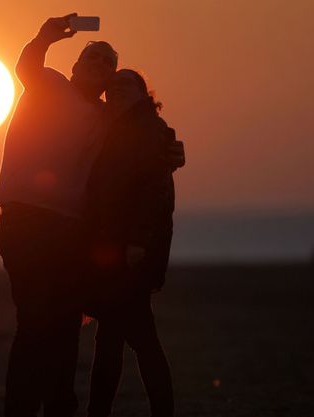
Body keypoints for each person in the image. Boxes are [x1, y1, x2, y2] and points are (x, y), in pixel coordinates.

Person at [0, 13, 119, 417]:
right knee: (34, 323)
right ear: (75, 66)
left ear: (109, 79)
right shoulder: (50, 85)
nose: (98, 65)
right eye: (92, 57)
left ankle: (60, 409)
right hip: (25, 221)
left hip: (71, 230)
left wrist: (170, 150)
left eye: (107, 63)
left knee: (66, 327)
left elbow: (143, 141)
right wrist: (45, 36)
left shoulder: (106, 119)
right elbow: (26, 66)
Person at [84, 69, 181, 417]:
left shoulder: (147, 129)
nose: (118, 89)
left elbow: (155, 193)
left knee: (138, 338)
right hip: (116, 251)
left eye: (129, 84)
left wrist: (137, 242)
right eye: (114, 86)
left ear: (144, 93)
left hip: (132, 253)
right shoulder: (119, 129)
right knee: (114, 338)